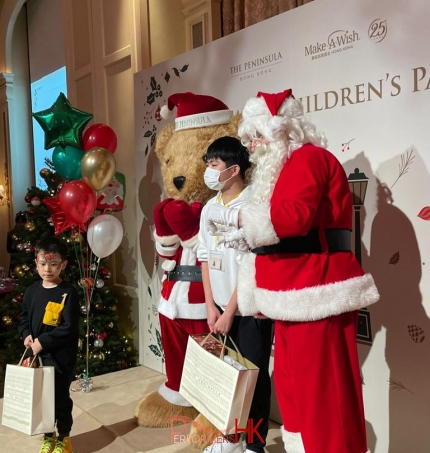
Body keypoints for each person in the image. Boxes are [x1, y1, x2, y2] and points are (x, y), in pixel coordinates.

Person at [205, 91, 380, 453]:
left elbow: (294, 218)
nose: (252, 147)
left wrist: (237, 216)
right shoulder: (282, 169)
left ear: (279, 129)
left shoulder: (308, 159)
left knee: (321, 399)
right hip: (289, 297)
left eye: (256, 137)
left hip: (314, 293)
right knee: (294, 392)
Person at [197, 136, 273, 453]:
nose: (209, 171)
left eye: (214, 165)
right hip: (219, 309)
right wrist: (210, 306)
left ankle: (255, 445)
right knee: (225, 376)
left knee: (253, 379)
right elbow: (204, 256)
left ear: (234, 169)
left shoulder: (254, 206)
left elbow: (252, 266)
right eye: (208, 165)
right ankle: (230, 439)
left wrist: (229, 312)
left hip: (249, 311)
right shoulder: (209, 208)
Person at [18, 236, 80, 453]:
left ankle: (64, 438)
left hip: (60, 357)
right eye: (43, 264)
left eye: (53, 264)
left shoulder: (68, 292)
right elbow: (24, 317)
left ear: (62, 265)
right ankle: (48, 436)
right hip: (37, 357)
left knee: (59, 399)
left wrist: (43, 342)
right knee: (42, 400)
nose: (47, 269)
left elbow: (69, 327)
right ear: (36, 263)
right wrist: (26, 334)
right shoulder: (32, 291)